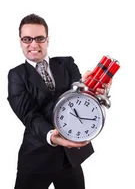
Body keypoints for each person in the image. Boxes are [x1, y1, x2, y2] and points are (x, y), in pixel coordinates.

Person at [7, 13, 110, 189]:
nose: (33, 44)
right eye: (27, 39)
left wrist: (95, 90)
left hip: (69, 158)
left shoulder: (67, 64)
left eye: (39, 38)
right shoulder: (17, 75)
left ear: (47, 40)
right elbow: (29, 116)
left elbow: (82, 102)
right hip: (36, 158)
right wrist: (52, 136)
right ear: (20, 41)